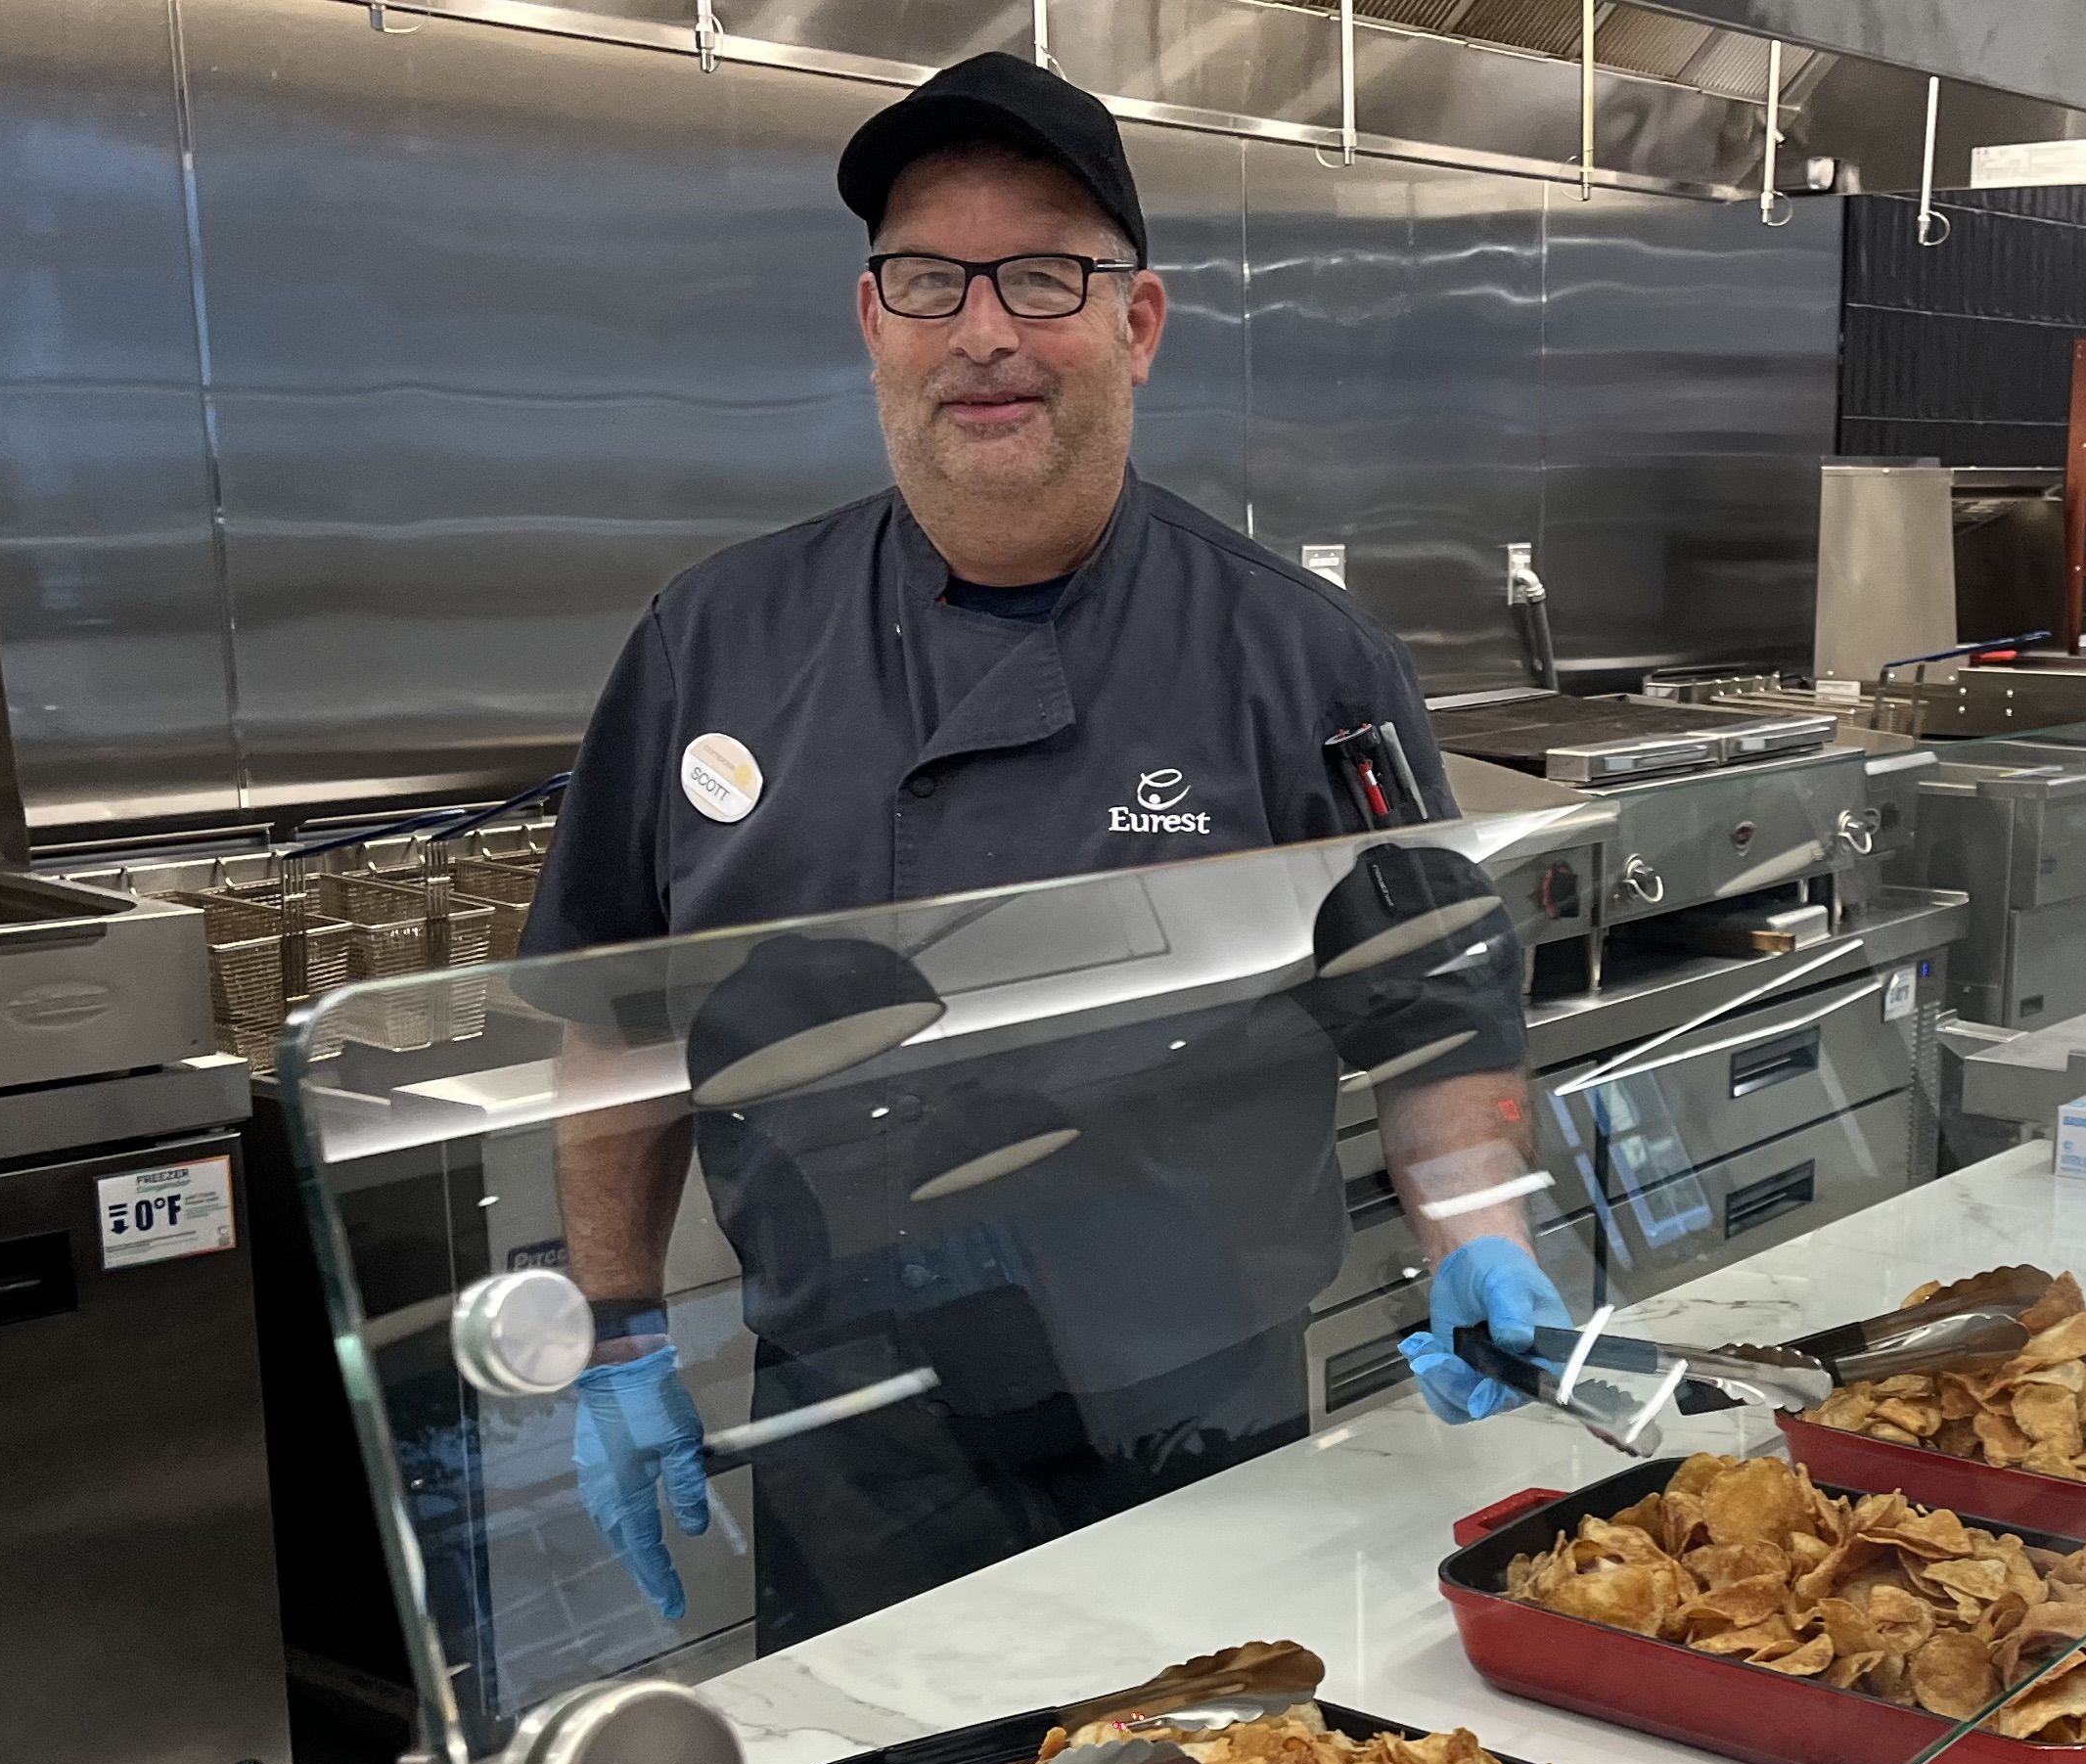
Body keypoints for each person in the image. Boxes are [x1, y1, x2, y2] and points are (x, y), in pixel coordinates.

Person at [521, 54, 1566, 1645]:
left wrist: (1476, 1225)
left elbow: (1426, 1006)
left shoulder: (1301, 656)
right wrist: (612, 1327)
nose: (984, 331)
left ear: (1136, 326)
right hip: (849, 1437)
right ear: (871, 323)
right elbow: (613, 1015)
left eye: (1043, 276)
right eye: (929, 279)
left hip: (1197, 1416)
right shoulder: (708, 643)